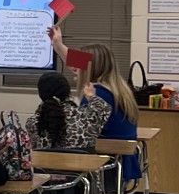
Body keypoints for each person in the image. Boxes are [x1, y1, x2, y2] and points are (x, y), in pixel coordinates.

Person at [49, 32, 139, 185]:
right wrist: (58, 45)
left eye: (80, 66)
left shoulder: (97, 96)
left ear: (91, 69)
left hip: (106, 169)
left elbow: (79, 133)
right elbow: (77, 64)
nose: (74, 69)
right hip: (123, 166)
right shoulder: (116, 90)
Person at [26, 70, 110, 153]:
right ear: (67, 91)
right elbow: (105, 108)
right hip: (82, 166)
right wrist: (91, 96)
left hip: (46, 166)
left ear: (41, 95)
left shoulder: (32, 123)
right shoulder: (88, 116)